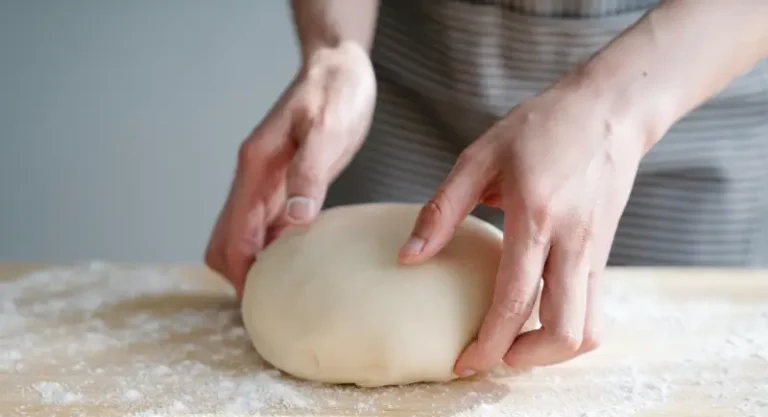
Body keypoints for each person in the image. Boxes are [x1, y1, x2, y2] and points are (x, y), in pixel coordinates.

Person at [205, 1, 768, 378]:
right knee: (349, 284)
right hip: (413, 84)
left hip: (683, 92)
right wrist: (336, 47)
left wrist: (614, 108)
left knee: (668, 357)